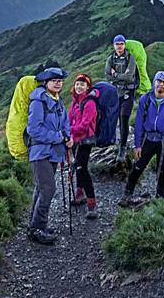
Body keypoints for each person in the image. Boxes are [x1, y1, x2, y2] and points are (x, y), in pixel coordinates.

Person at [118, 71, 164, 206]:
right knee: (138, 166)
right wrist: (138, 145)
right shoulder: (145, 99)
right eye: (159, 81)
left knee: (163, 170)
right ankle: (127, 193)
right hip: (148, 139)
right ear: (154, 82)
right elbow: (139, 123)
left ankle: (160, 199)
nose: (161, 85)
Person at [26, 66, 73, 244]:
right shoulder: (38, 102)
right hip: (40, 152)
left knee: (41, 187)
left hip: (53, 152)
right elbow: (33, 129)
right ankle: (38, 228)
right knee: (48, 188)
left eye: (60, 81)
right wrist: (58, 137)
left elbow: (65, 123)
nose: (58, 83)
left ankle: (35, 226)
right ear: (46, 82)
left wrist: (69, 138)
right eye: (54, 81)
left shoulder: (58, 100)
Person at [68, 73, 99, 219]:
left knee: (82, 169)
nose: (79, 86)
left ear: (88, 87)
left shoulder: (90, 103)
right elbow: (69, 119)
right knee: (79, 167)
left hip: (85, 140)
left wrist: (69, 132)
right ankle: (79, 194)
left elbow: (85, 125)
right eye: (77, 84)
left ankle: (92, 205)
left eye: (82, 84)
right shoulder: (75, 102)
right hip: (75, 141)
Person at [105, 34, 138, 162]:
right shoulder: (110, 59)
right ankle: (111, 141)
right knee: (113, 117)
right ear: (114, 45)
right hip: (115, 93)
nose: (119, 46)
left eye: (121, 44)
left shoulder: (131, 58)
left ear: (125, 45)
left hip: (128, 93)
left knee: (124, 118)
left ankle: (123, 148)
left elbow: (129, 76)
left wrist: (116, 74)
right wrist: (120, 75)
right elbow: (107, 76)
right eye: (117, 44)